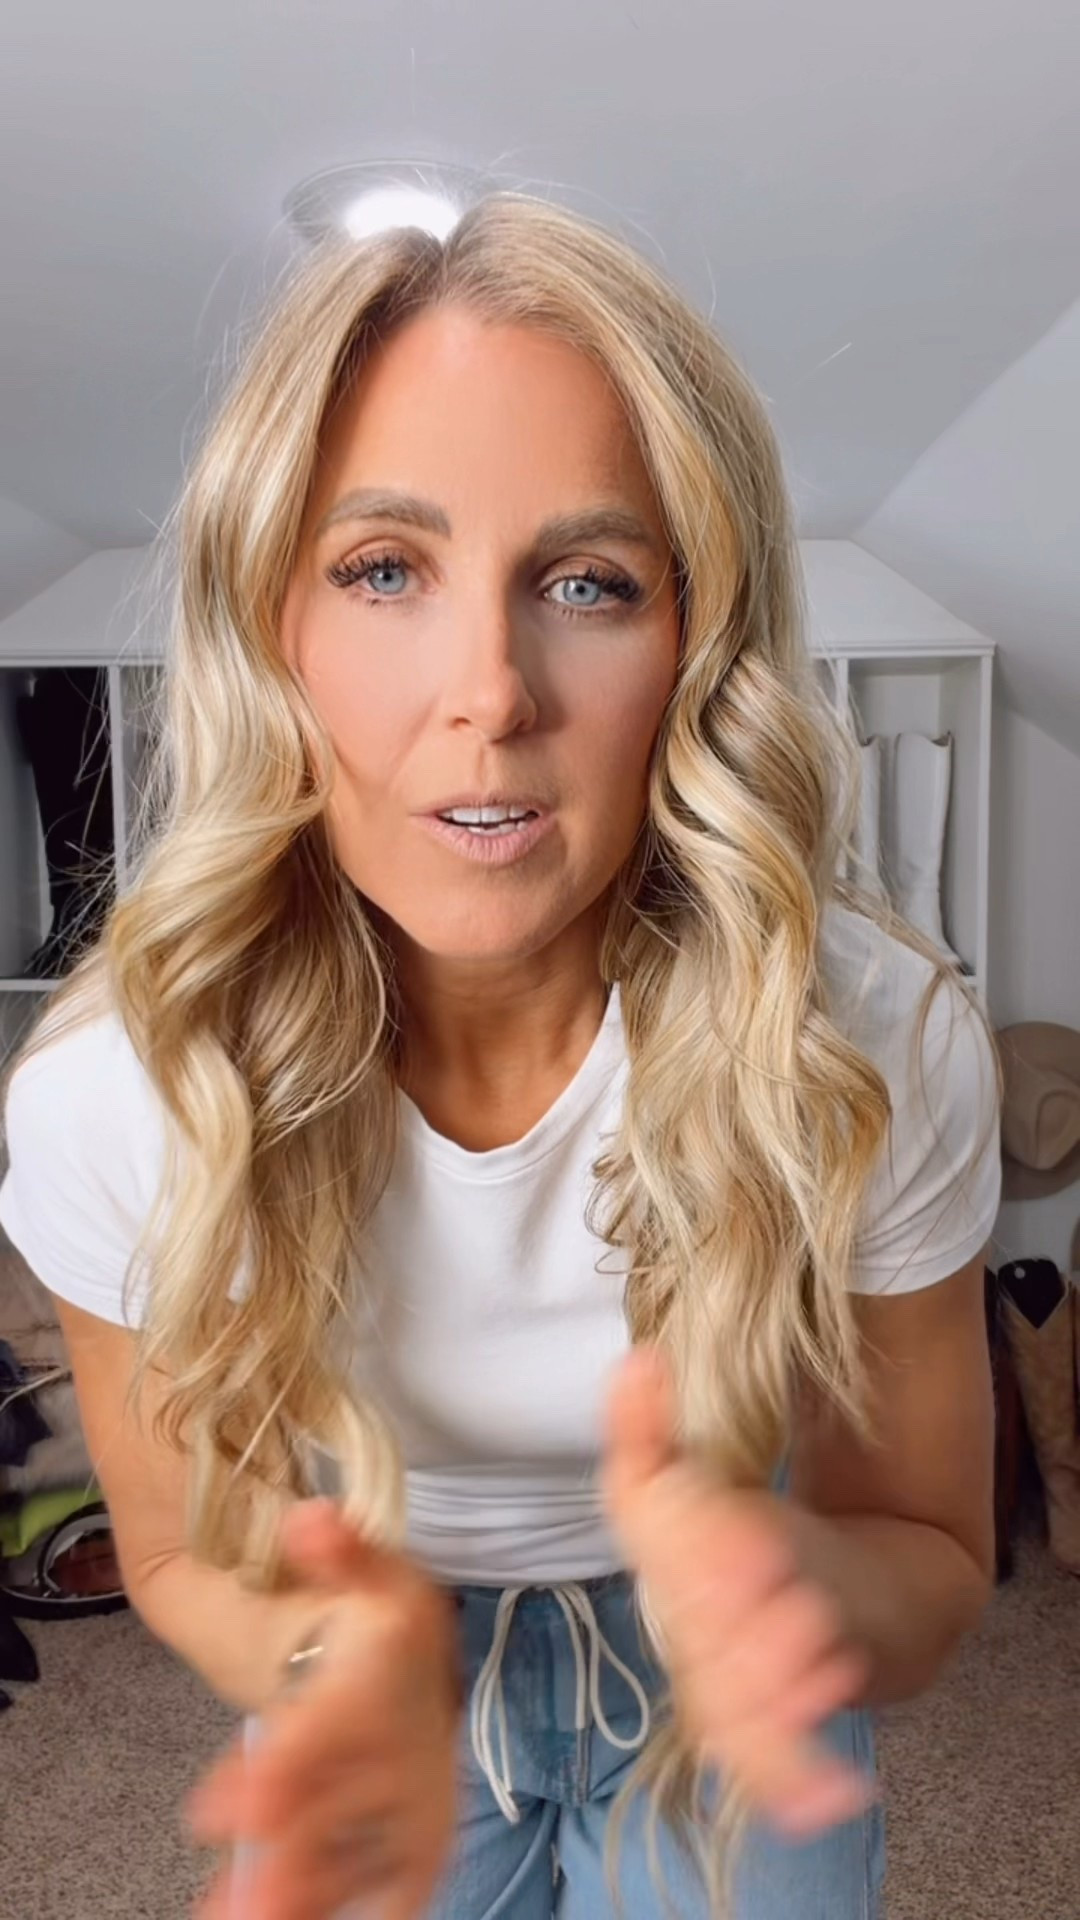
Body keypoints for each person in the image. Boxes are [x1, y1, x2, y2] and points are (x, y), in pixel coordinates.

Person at [0, 193, 1002, 1920]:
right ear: (274, 627)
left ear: (696, 645)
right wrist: (327, 1651)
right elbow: (170, 1549)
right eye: (384, 570)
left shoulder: (872, 1040)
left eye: (589, 583)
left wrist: (781, 1584)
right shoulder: (121, 1090)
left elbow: (929, 1554)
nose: (491, 692)